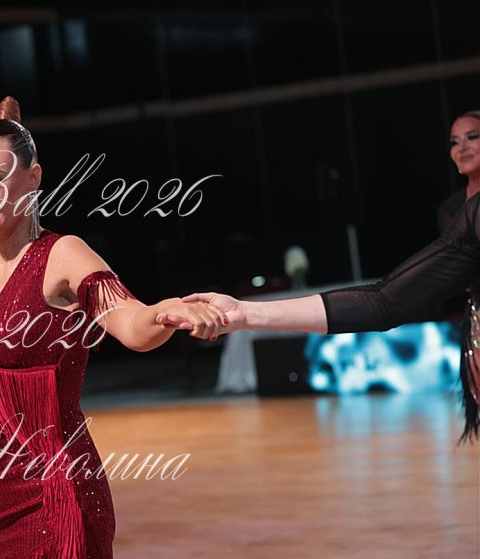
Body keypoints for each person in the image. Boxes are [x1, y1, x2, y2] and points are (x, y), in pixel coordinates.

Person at [0, 96, 226, 559]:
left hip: (58, 498)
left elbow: (131, 324)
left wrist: (165, 311)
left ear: (34, 179)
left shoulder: (62, 254)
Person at [165, 110, 480, 443]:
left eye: (472, 137)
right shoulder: (466, 214)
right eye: (454, 141)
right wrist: (245, 313)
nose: (462, 147)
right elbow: (385, 302)